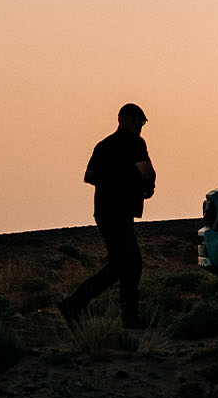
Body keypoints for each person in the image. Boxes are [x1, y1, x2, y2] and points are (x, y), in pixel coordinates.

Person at [61, 102, 156, 327]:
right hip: (119, 212)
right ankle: (74, 304)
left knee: (129, 264)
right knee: (123, 265)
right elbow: (146, 172)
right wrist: (142, 186)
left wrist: (110, 182)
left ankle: (129, 317)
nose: (140, 127)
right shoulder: (135, 143)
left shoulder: (103, 145)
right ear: (126, 120)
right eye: (138, 122)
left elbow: (89, 176)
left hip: (104, 212)